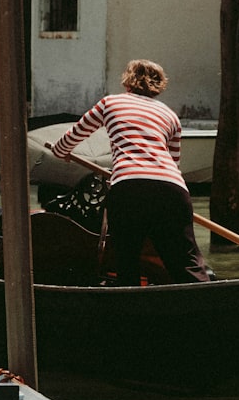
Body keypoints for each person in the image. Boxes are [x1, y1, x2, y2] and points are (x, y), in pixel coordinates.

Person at [50, 59, 210, 286]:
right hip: (172, 189)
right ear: (159, 85)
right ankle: (205, 301)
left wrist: (60, 150)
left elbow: (75, 134)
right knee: (186, 261)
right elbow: (173, 162)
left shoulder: (110, 103)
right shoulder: (170, 115)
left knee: (127, 258)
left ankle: (129, 312)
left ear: (127, 81)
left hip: (129, 187)